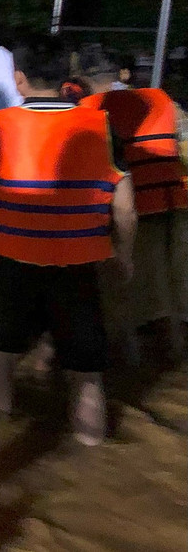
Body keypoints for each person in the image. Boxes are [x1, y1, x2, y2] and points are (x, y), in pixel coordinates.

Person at [0, 41, 136, 446]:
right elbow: (125, 209)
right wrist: (123, 256)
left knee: (1, 356)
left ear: (19, 78)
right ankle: (92, 449)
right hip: (79, 264)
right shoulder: (102, 125)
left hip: (13, 261)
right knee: (86, 372)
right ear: (67, 78)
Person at [80, 49, 188, 362]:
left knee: (126, 289)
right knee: (175, 285)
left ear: (83, 79)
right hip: (177, 201)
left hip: (137, 205)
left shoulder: (90, 108)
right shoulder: (160, 98)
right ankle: (176, 356)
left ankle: (130, 361)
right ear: (121, 73)